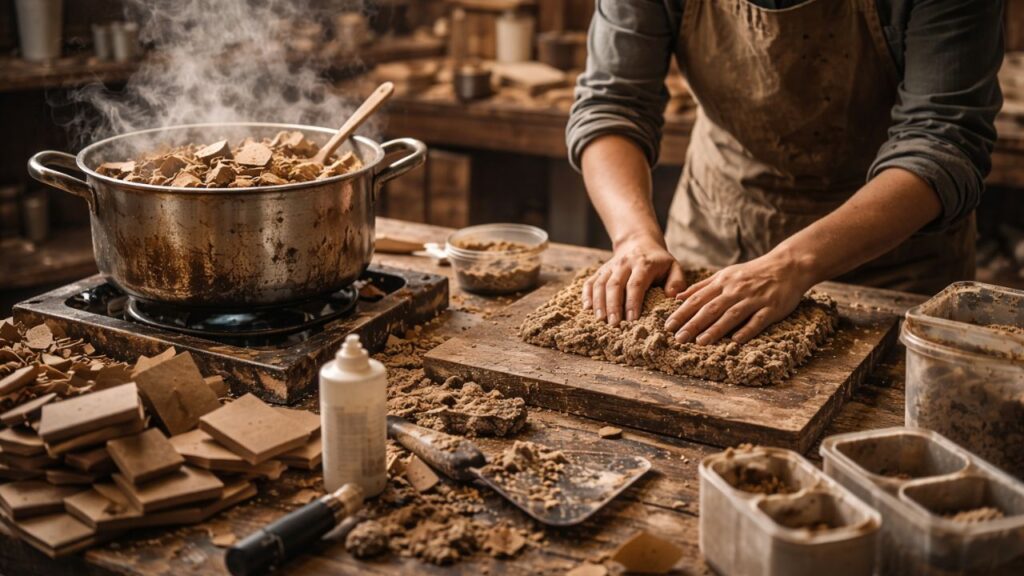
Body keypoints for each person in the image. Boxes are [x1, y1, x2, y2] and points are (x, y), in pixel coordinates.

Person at [567, 0, 1003, 346]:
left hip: (894, 257)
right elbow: (613, 105)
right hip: (716, 232)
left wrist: (792, 264)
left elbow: (941, 142)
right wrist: (634, 238)